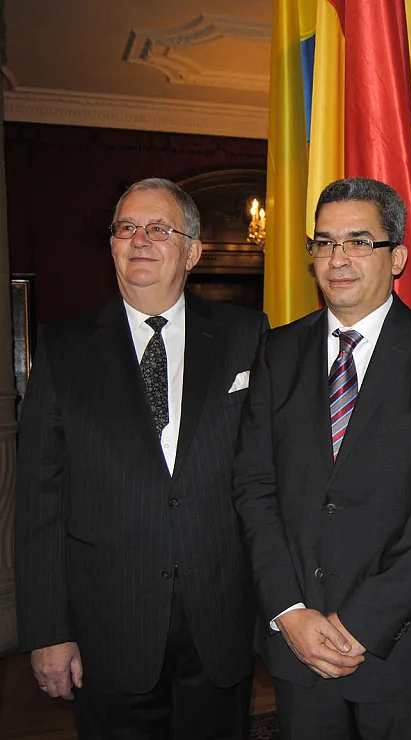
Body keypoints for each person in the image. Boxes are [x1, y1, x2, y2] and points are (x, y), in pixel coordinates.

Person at [15, 177, 267, 738]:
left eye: (159, 228)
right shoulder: (63, 348)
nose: (140, 239)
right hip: (110, 621)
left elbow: (265, 477)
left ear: (193, 251)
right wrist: (46, 629)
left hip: (221, 618)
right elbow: (39, 500)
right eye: (126, 227)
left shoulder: (246, 335)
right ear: (111, 246)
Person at [232, 176, 411, 740]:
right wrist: (289, 612)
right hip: (300, 645)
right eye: (323, 242)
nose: (337, 257)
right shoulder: (275, 352)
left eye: (359, 241)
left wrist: (362, 623)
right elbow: (253, 488)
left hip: (404, 650)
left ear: (398, 257)